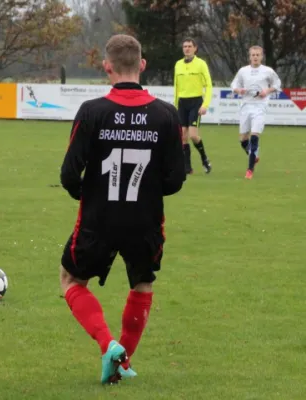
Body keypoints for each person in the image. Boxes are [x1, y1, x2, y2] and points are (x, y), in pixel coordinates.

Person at [59, 34, 186, 384]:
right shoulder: (166, 115)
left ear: (106, 67)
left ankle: (108, 345)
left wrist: (88, 193)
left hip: (99, 217)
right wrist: (148, 191)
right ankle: (123, 362)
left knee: (71, 280)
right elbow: (176, 179)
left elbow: (69, 174)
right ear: (142, 65)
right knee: (142, 283)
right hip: (145, 219)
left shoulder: (92, 112)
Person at [230, 45, 282, 179]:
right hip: (246, 105)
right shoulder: (243, 71)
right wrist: (239, 90)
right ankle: (254, 155)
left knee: (254, 136)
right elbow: (234, 85)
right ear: (249, 56)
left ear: (261, 56)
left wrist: (267, 91)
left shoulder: (268, 71)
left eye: (257, 55)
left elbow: (277, 84)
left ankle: (250, 169)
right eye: (253, 55)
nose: (255, 57)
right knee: (243, 140)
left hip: (260, 106)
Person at [174, 38, 212, 174]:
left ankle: (204, 158)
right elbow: (176, 86)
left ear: (195, 48)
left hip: (196, 102)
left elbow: (208, 85)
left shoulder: (201, 64)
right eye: (185, 46)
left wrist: (205, 104)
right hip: (182, 102)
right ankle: (187, 167)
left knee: (193, 135)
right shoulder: (178, 64)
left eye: (190, 46)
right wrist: (175, 104)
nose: (187, 49)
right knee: (183, 136)